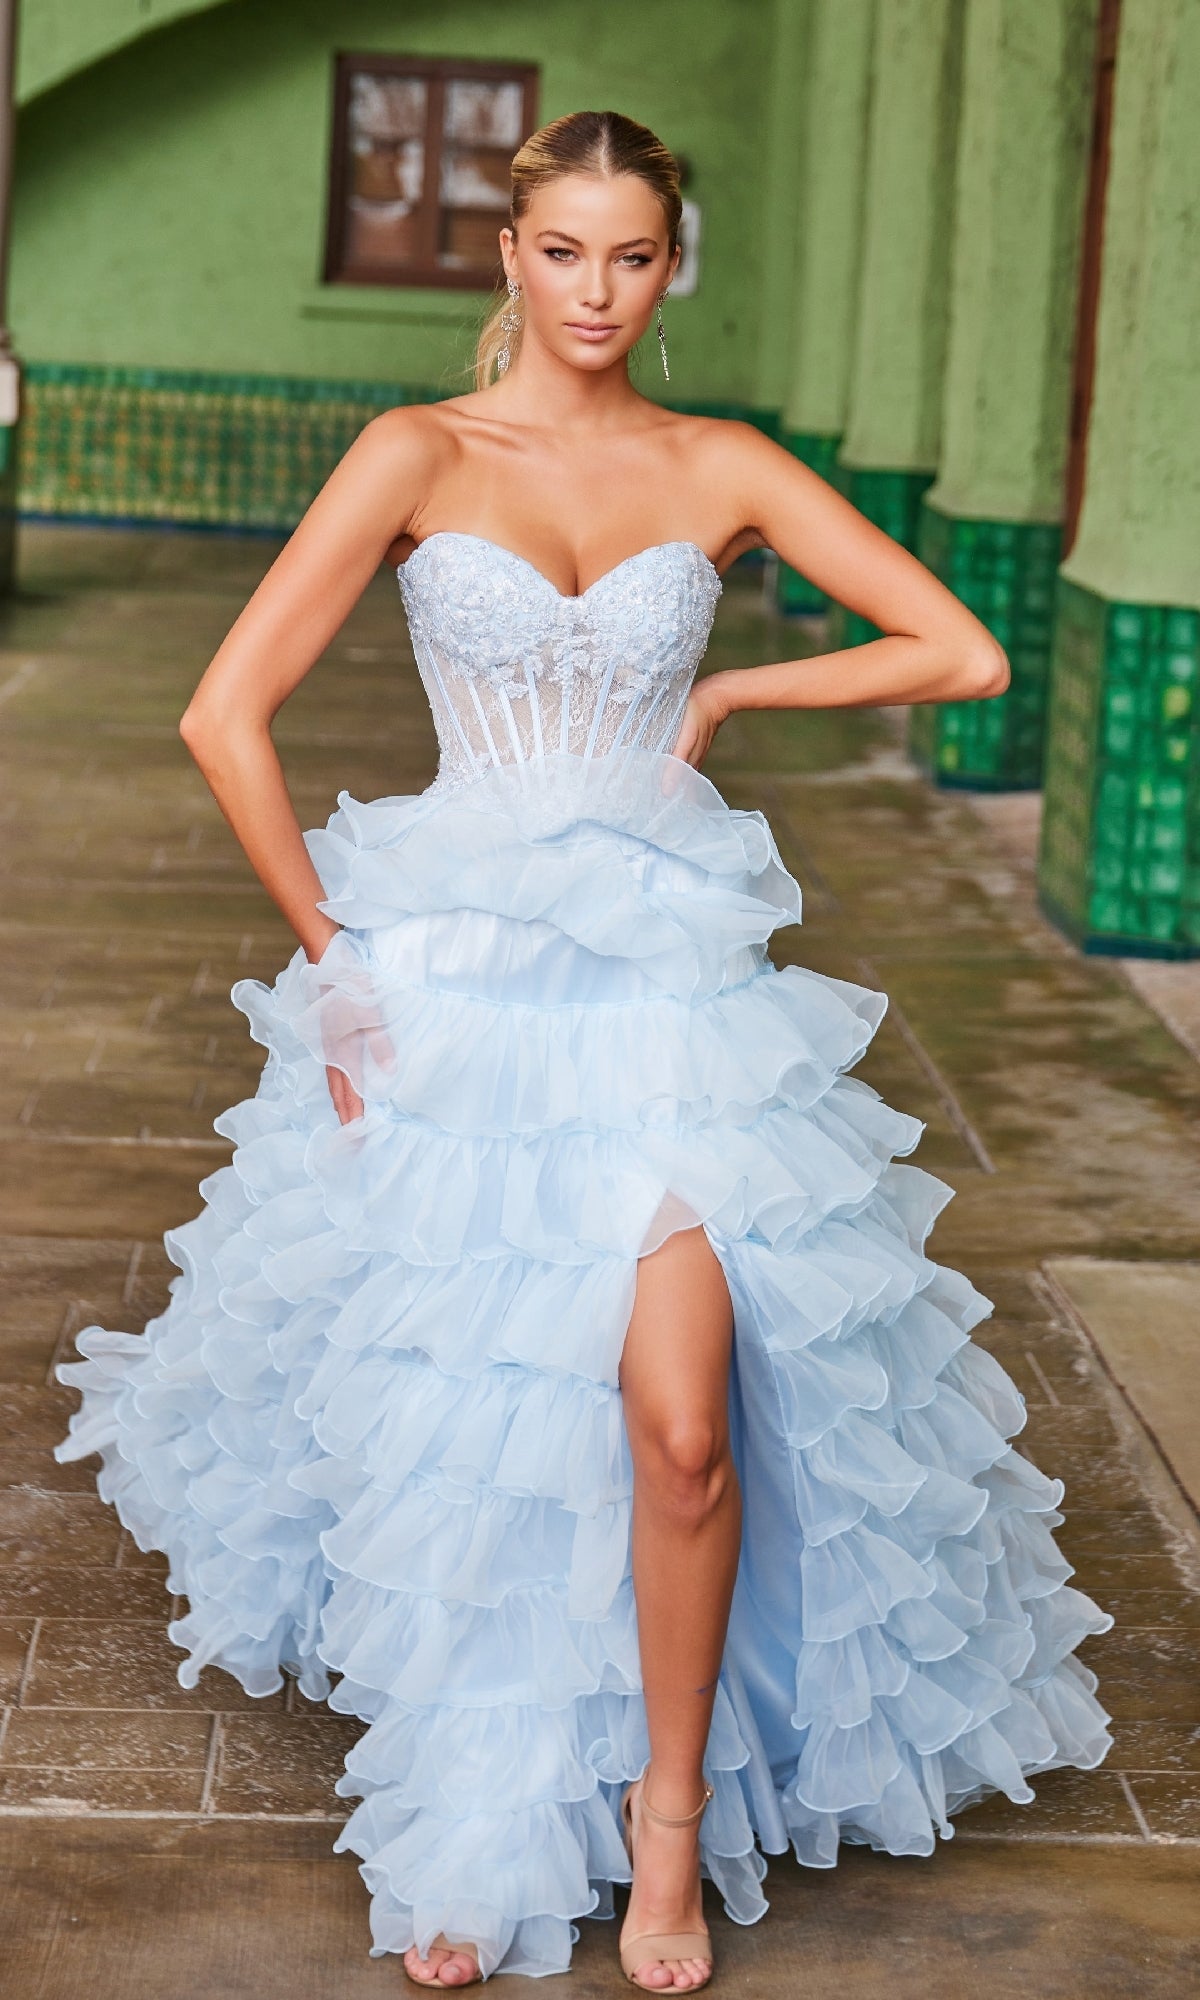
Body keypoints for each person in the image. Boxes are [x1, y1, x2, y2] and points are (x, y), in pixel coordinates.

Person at [54, 109, 1115, 1994]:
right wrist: (338, 967)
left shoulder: (720, 465)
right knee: (484, 1432)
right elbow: (227, 716)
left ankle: (667, 1819)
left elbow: (959, 652)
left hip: (665, 1002)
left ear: (667, 260)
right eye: (564, 252)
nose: (598, 291)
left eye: (632, 256)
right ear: (511, 255)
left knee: (684, 1429)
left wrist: (732, 685)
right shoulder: (418, 452)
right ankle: (483, 1816)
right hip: (457, 1001)